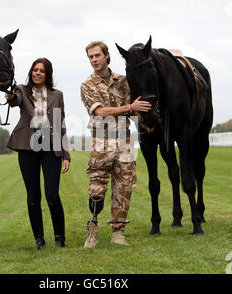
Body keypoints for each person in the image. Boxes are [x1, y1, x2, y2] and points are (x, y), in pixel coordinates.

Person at [80, 41, 151, 248]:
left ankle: (118, 233)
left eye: (97, 56)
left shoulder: (123, 81)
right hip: (101, 144)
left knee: (123, 189)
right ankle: (93, 228)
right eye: (91, 57)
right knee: (96, 191)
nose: (94, 60)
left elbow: (137, 108)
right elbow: (100, 112)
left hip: (124, 143)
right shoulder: (87, 85)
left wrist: (147, 120)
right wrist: (129, 107)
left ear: (107, 56)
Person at [5, 58, 70, 251]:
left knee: (52, 195)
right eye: (35, 70)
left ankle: (60, 237)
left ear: (47, 74)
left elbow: (60, 124)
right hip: (27, 148)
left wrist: (66, 154)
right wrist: (10, 97)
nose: (37, 73)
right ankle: (39, 239)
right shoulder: (21, 90)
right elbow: (15, 101)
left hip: (51, 147)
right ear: (31, 72)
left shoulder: (57, 95)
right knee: (33, 197)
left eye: (41, 70)